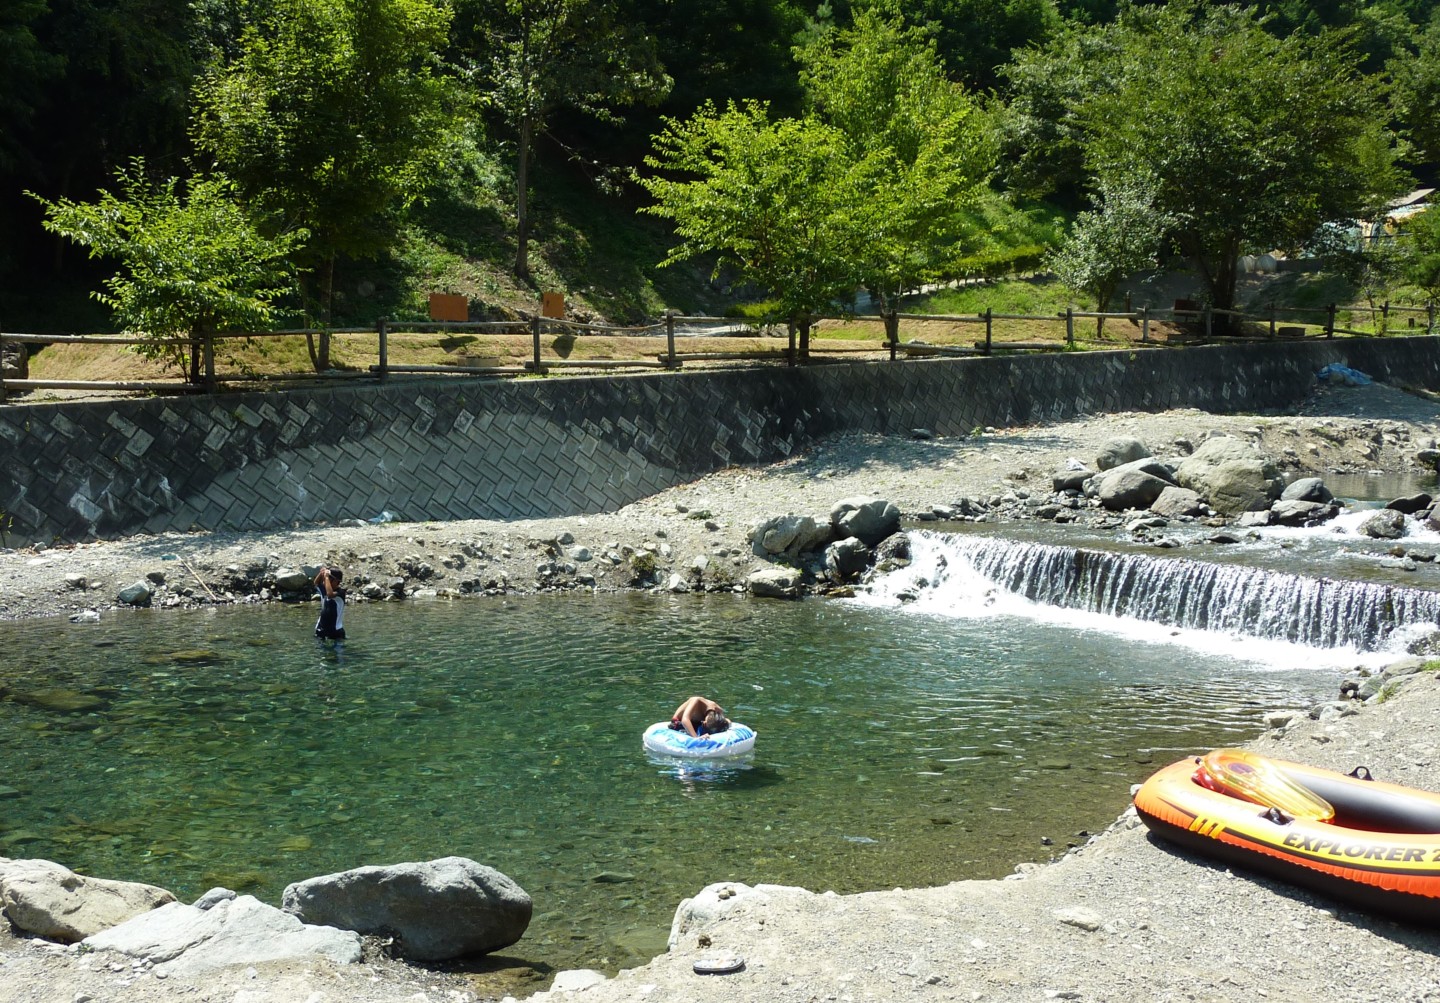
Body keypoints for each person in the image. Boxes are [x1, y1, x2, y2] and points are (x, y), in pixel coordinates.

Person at [314, 566, 346, 640]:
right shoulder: (324, 590)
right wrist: (321, 573)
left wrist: (327, 577)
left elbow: (330, 594)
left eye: (329, 579)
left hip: (336, 630)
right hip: (321, 628)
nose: (326, 580)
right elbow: (316, 583)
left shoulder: (340, 592)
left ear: (336, 581)